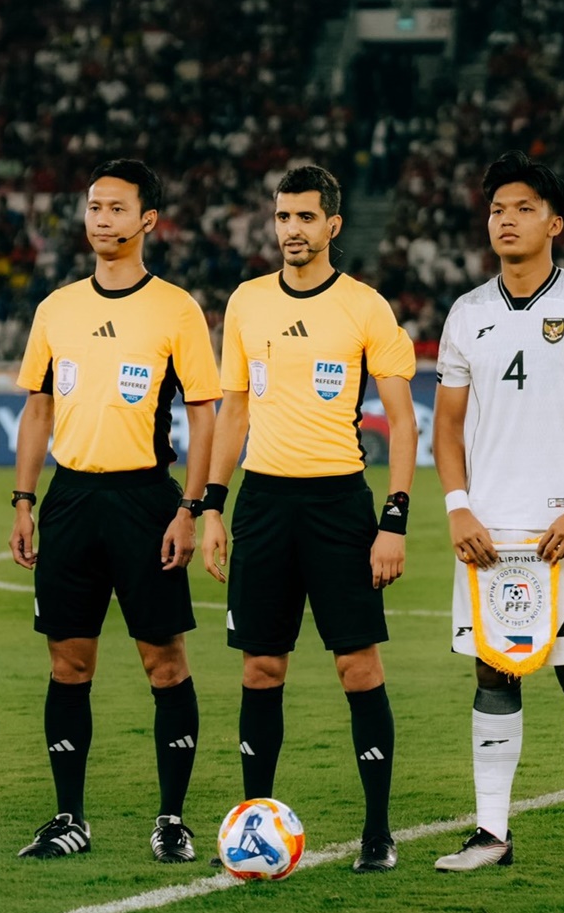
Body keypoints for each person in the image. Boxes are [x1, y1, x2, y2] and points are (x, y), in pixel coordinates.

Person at [432, 150, 564, 875]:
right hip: (489, 532)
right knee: (494, 672)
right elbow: (447, 425)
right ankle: (491, 832)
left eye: (523, 208)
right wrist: (459, 508)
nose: (506, 220)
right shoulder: (466, 314)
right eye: (497, 209)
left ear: (554, 223)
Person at [201, 164, 417, 873]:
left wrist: (395, 518)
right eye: (281, 217)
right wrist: (211, 506)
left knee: (357, 665)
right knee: (261, 667)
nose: (290, 229)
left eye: (303, 218)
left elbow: (403, 420)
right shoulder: (246, 302)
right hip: (262, 503)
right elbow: (232, 411)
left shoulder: (365, 307)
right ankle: (253, 823)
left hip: (339, 505)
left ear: (332, 225)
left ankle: (378, 830)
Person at [10, 159, 219, 863]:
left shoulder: (177, 309)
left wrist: (192, 505)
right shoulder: (56, 308)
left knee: (165, 662)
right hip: (70, 498)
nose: (101, 219)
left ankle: (172, 818)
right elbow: (37, 405)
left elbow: (203, 410)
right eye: (93, 207)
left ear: (147, 221)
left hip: (145, 498)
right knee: (69, 663)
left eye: (116, 208)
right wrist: (23, 498)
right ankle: (69, 816)